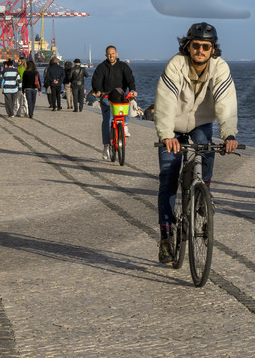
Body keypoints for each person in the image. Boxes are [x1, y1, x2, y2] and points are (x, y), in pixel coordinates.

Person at [153, 22, 239, 264]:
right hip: (173, 126)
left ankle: (204, 191)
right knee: (168, 177)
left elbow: (226, 101)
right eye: (196, 45)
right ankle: (166, 238)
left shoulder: (220, 68)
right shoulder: (176, 65)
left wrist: (229, 135)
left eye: (206, 46)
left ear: (213, 49)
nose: (201, 50)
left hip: (201, 123)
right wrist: (166, 135)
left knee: (207, 150)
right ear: (188, 46)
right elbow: (166, 101)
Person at [91, 45, 136, 157]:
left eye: (113, 53)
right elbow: (96, 80)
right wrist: (97, 91)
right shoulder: (102, 67)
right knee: (107, 120)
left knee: (127, 98)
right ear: (106, 55)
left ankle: (124, 125)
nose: (111, 56)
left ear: (116, 54)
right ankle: (106, 146)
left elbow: (130, 79)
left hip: (120, 95)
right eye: (109, 54)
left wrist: (132, 90)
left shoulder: (123, 66)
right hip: (106, 96)